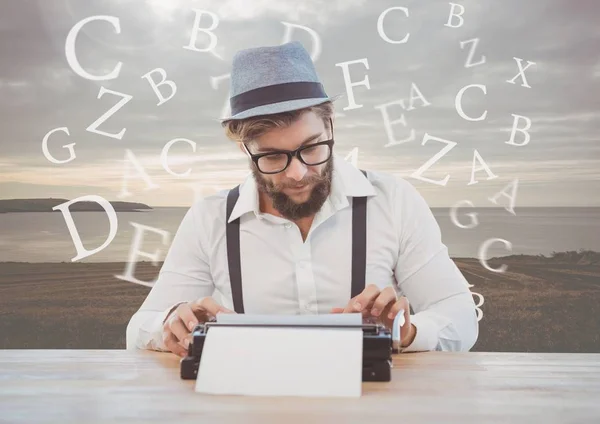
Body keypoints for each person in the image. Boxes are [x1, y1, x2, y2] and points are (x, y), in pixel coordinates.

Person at [126, 41, 478, 357]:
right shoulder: (210, 218)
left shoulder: (394, 201)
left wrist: (409, 331)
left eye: (311, 148)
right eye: (273, 156)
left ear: (331, 126)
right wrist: (170, 325)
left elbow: (460, 318)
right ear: (244, 149)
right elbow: (138, 329)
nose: (296, 174)